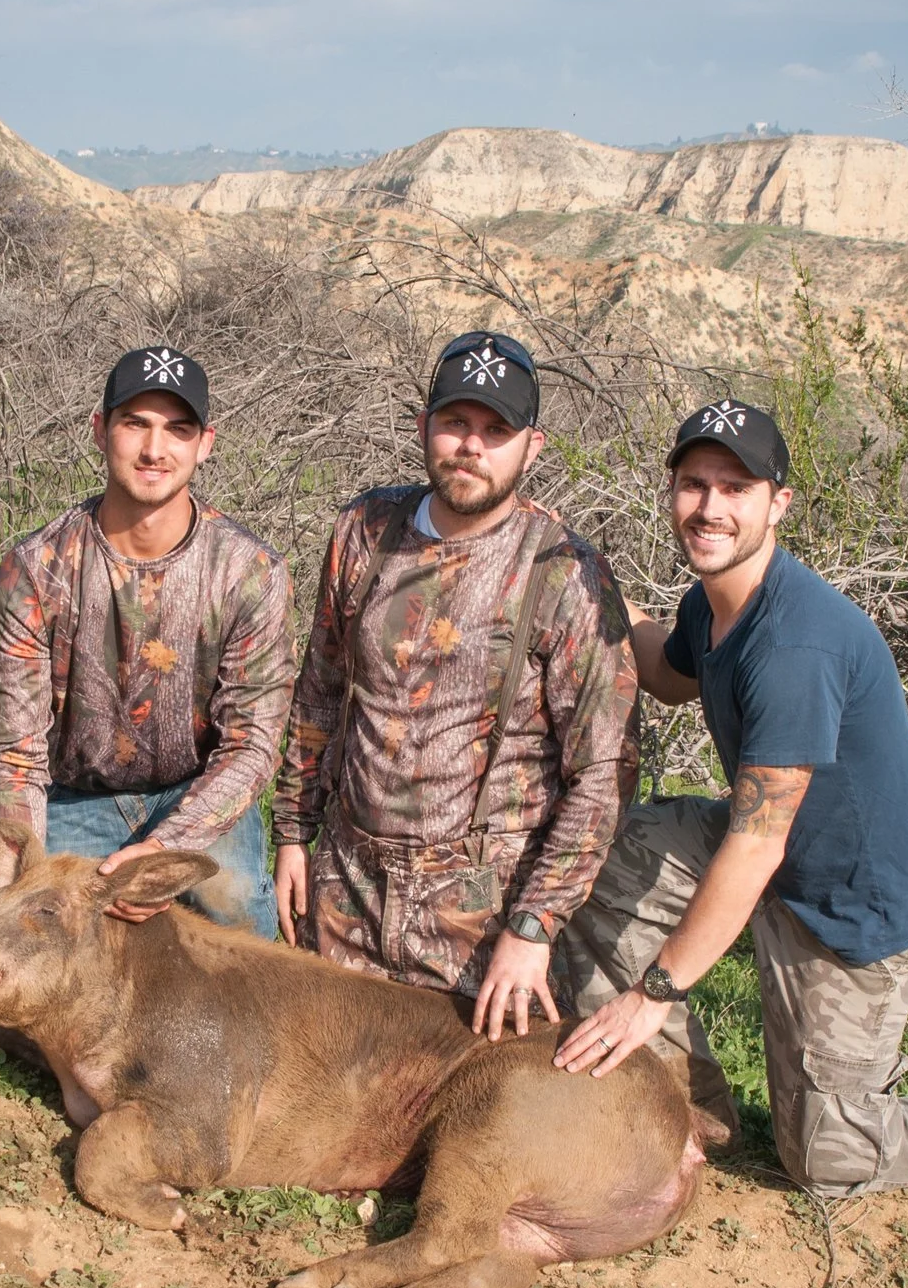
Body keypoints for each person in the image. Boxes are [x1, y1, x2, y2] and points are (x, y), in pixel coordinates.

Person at [552, 398, 908, 1189]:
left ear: (778, 504)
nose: (711, 507)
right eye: (695, 485)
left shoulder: (794, 645)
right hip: (787, 855)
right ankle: (682, 1105)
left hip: (858, 909)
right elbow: (665, 670)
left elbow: (755, 846)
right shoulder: (715, 603)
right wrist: (588, 577)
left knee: (829, 1155)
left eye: (736, 488)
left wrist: (653, 992)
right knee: (599, 860)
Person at [272, 330, 637, 1029]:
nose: (472, 445)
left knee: (479, 1090)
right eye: (456, 422)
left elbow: (603, 770)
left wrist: (533, 927)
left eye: (496, 431)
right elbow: (320, 689)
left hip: (482, 920)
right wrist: (293, 833)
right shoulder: (365, 529)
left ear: (532, 447)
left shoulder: (564, 571)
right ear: (423, 426)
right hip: (347, 890)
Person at [0, 344, 292, 934]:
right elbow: (16, 750)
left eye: (178, 429)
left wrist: (164, 850)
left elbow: (250, 746)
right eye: (135, 424)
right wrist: (14, 846)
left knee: (238, 913)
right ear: (100, 431)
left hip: (195, 794)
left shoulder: (249, 572)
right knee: (30, 937)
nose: (154, 449)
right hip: (76, 799)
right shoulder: (34, 572)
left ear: (205, 443)